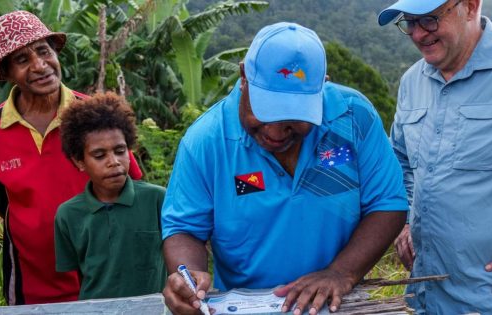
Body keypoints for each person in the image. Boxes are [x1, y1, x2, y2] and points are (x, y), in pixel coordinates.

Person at [161, 22, 408, 315]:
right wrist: (189, 277)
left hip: (339, 305)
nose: (276, 133)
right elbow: (185, 229)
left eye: (293, 117)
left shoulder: (353, 118)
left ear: (322, 87)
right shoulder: (206, 142)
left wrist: (341, 273)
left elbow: (387, 203)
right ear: (243, 77)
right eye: (264, 113)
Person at [378, 0, 492, 313]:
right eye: (409, 23)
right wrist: (406, 220)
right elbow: (401, 161)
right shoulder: (411, 82)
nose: (419, 34)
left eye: (429, 20)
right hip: (423, 296)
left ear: (471, 6)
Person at [0, 11, 142, 304]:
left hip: (107, 283)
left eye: (43, 51)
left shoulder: (96, 116)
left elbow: (133, 192)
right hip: (31, 288)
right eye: (23, 60)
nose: (40, 66)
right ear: (6, 73)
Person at [54, 92, 166, 300]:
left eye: (120, 151)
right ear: (79, 161)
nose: (113, 161)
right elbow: (76, 275)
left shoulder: (157, 199)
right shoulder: (68, 215)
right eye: (99, 155)